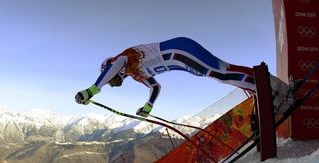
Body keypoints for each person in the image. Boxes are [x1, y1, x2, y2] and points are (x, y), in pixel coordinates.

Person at [75, 37, 289, 117]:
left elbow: (116, 65)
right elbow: (156, 87)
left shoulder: (123, 59)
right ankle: (272, 87)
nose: (112, 84)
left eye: (110, 80)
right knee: (223, 71)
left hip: (181, 51)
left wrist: (93, 89)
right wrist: (148, 106)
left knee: (219, 74)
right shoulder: (136, 75)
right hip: (183, 61)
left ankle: (270, 91)